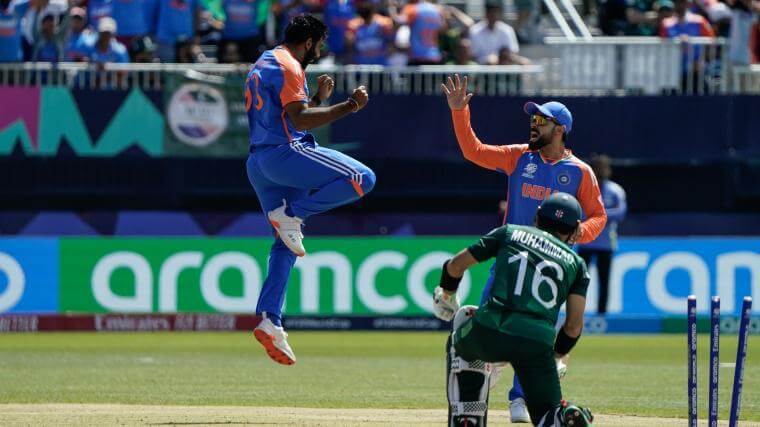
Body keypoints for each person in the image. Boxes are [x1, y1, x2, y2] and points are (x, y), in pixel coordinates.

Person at [441, 74, 607, 423]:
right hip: (510, 261)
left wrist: (578, 233)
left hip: (551, 268)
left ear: (559, 129)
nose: (534, 126)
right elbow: (474, 151)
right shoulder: (519, 157)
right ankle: (487, 381)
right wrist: (460, 113)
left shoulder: (580, 172)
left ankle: (520, 398)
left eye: (541, 122)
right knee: (493, 320)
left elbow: (598, 217)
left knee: (538, 327)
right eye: (532, 120)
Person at [246, 15, 376, 365]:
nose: (319, 52)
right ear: (307, 41)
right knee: (363, 179)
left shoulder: (264, 61)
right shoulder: (290, 66)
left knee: (285, 240)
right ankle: (293, 214)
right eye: (319, 45)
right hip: (285, 155)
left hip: (259, 164)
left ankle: (270, 319)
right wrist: (350, 106)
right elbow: (300, 123)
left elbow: (287, 115)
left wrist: (317, 96)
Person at [432, 193, 595, 427]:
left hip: (491, 330)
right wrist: (556, 356)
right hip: (537, 344)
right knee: (547, 412)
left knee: (465, 318)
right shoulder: (577, 264)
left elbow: (455, 266)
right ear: (576, 229)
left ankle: (467, 417)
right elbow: (573, 326)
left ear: (537, 217)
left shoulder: (509, 232)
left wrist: (446, 294)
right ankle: (562, 417)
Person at [576, 154, 626, 316]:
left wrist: (599, 215)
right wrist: (599, 216)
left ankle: (602, 316)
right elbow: (579, 212)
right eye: (597, 168)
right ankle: (577, 314)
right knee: (579, 282)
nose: (600, 172)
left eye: (603, 168)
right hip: (586, 241)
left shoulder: (615, 190)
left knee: (604, 282)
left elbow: (621, 213)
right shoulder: (585, 188)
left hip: (606, 244)